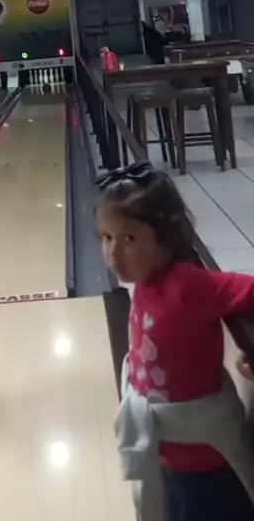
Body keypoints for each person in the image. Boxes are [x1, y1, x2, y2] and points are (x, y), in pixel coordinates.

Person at [96, 163, 254, 521]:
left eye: (129, 239)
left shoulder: (188, 285)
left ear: (165, 237)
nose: (113, 253)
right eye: (106, 237)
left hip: (203, 463)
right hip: (166, 452)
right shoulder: (145, 280)